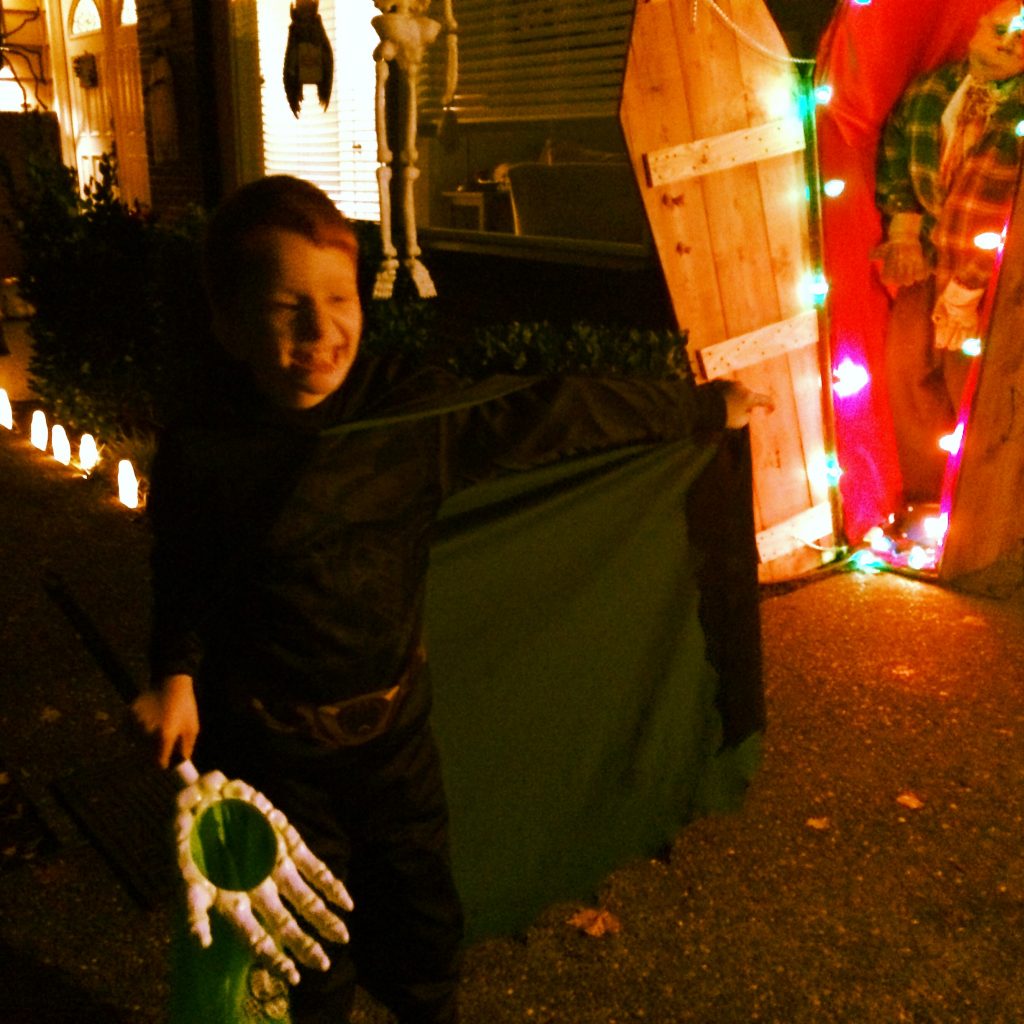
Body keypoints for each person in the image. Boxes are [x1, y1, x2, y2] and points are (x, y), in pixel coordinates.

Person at [132, 173, 771, 1024]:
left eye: (338, 298)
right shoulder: (207, 448)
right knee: (307, 953)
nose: (321, 332)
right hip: (273, 754)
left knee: (425, 933)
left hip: (396, 738)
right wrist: (173, 672)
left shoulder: (408, 414)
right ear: (228, 322)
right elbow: (185, 565)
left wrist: (697, 411)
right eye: (288, 307)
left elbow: (548, 411)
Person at [873, 0, 1024, 499]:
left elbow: (1002, 204)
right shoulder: (930, 91)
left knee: (975, 390)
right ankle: (925, 498)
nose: (1005, 43)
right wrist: (903, 230)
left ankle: (980, 512)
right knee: (907, 371)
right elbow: (896, 153)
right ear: (979, 27)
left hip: (994, 281)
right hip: (931, 255)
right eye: (1001, 29)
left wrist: (971, 285)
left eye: (1020, 40)